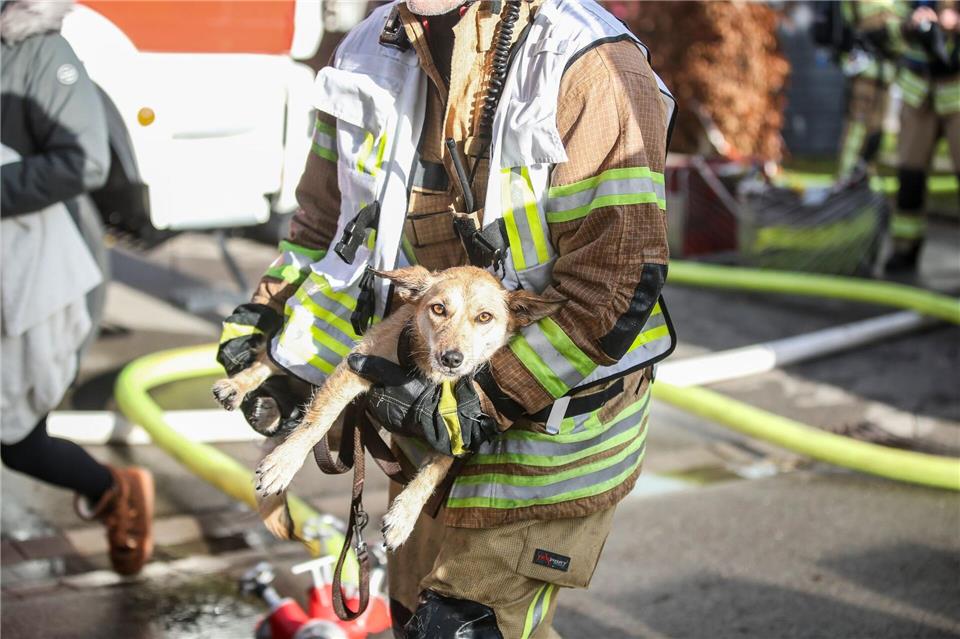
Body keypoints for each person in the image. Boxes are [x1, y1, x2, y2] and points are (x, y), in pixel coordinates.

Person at [219, 0, 675, 635]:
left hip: (546, 439)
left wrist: (479, 399)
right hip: (422, 433)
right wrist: (274, 331)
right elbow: (327, 231)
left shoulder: (589, 63)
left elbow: (618, 283)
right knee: (412, 619)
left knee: (459, 630)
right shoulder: (365, 50)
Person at [0, 0, 154, 576]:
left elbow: (83, 161)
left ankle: (114, 489)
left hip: (42, 278)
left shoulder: (40, 51)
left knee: (17, 436)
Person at [888, 0, 960, 272]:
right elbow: (891, 23)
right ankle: (905, 250)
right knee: (910, 176)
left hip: (956, 90)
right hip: (918, 91)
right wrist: (912, 23)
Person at [833, 0, 903, 182]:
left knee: (877, 129)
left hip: (886, 73)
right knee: (857, 125)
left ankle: (863, 176)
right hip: (864, 72)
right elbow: (853, 23)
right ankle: (845, 177)